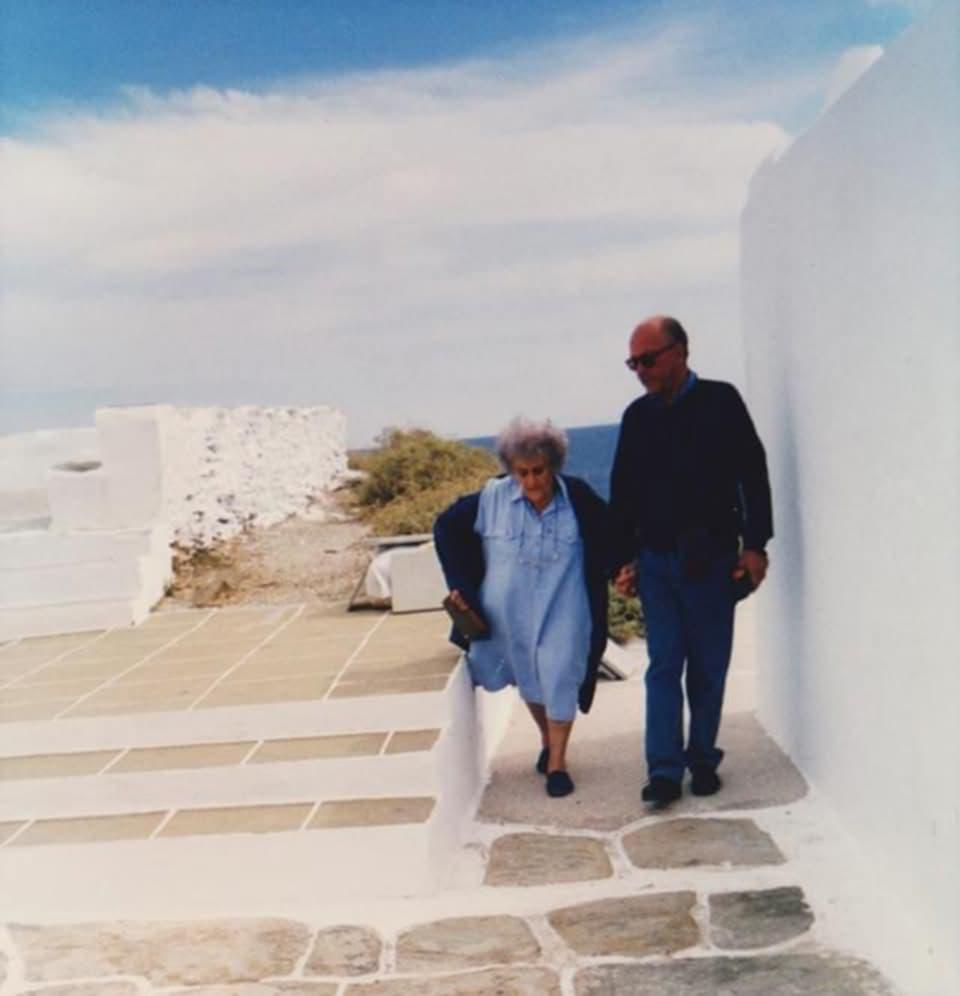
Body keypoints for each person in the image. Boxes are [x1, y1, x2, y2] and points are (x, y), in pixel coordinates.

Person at [610, 316, 773, 805]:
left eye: (648, 359)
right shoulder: (637, 417)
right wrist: (622, 559)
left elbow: (753, 474)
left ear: (680, 351)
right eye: (633, 363)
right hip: (656, 562)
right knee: (663, 666)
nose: (641, 370)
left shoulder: (721, 402)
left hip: (712, 559)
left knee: (707, 667)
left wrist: (755, 544)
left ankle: (702, 760)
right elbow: (623, 493)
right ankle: (663, 770)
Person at [433, 417, 609, 798]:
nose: (531, 482)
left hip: (565, 605)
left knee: (560, 673)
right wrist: (462, 586)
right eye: (522, 473)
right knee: (527, 674)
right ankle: (547, 739)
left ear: (554, 465)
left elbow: (612, 534)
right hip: (509, 612)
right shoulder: (491, 498)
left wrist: (623, 569)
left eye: (538, 471)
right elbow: (445, 527)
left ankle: (558, 763)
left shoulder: (577, 498)